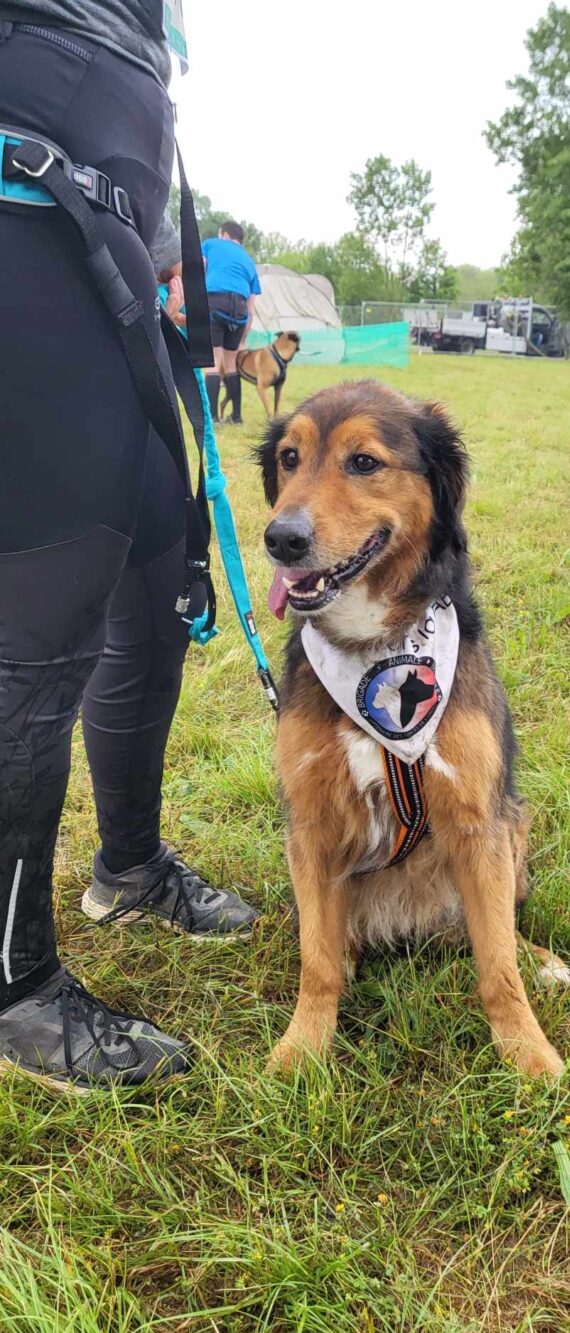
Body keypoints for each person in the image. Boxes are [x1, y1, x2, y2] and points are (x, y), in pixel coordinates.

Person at [0, 7, 258, 1091]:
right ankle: (13, 988)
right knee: (33, 643)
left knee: (157, 580)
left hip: (107, 250)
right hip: (25, 225)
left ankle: (130, 866)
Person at [202, 221, 261, 425]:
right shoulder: (249, 261)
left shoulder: (211, 244)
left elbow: (198, 269)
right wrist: (243, 340)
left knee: (213, 362)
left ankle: (212, 417)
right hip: (240, 310)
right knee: (230, 363)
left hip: (215, 302)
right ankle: (236, 417)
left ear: (224, 234)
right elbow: (251, 309)